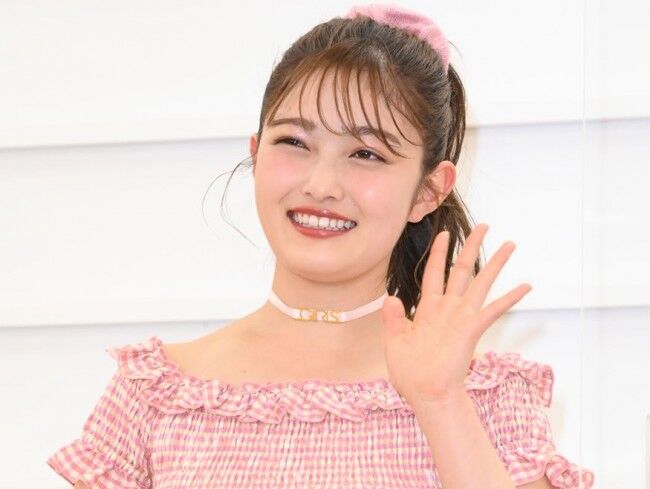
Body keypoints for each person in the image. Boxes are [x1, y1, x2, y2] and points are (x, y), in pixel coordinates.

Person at [46, 3, 595, 488]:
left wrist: (439, 402)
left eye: (367, 154)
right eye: (294, 142)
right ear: (256, 154)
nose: (321, 185)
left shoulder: (490, 397)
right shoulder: (155, 396)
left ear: (428, 190)